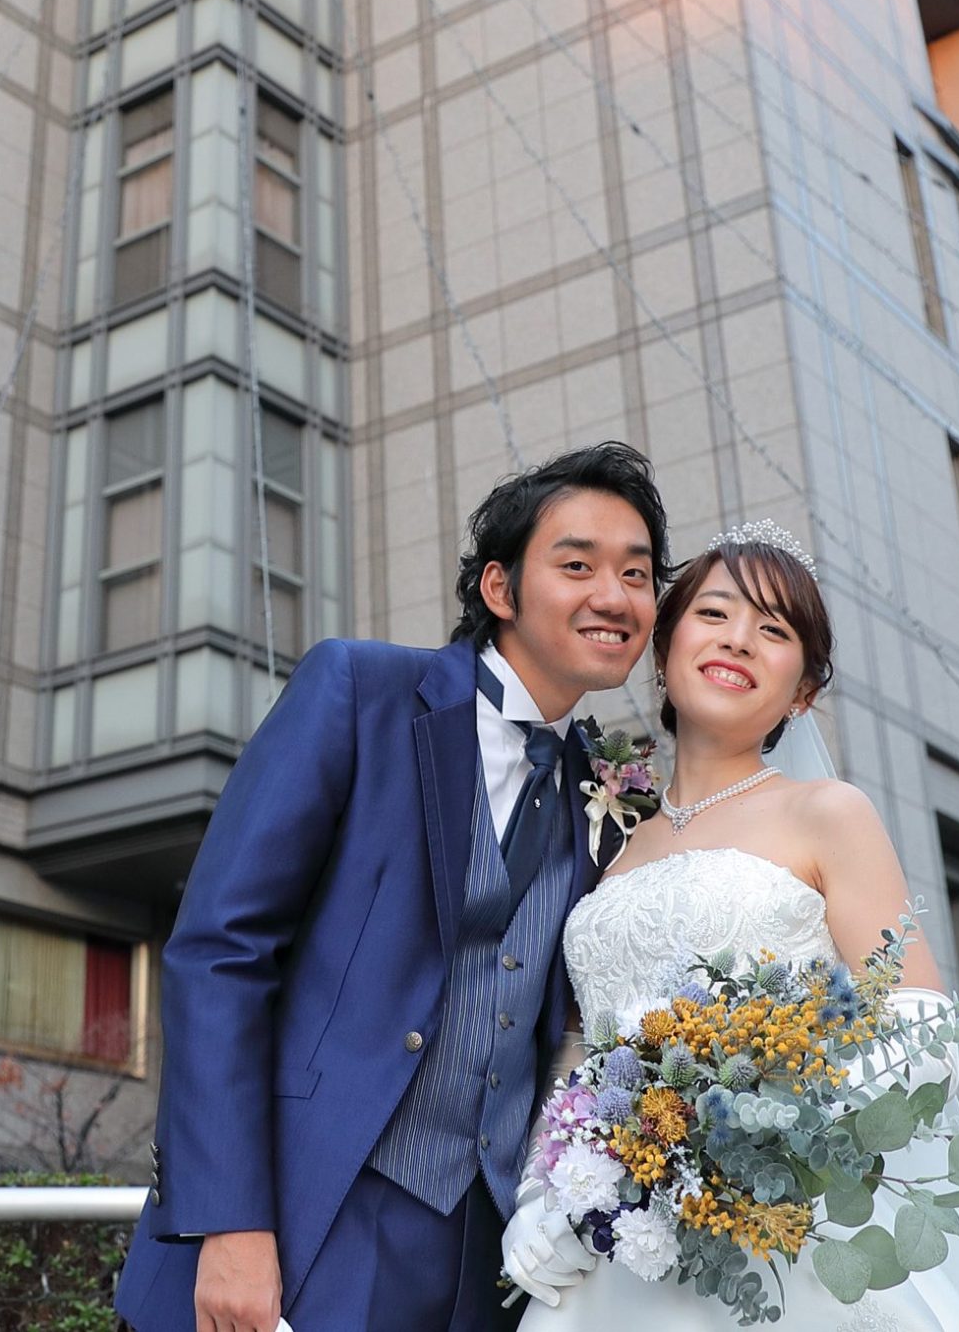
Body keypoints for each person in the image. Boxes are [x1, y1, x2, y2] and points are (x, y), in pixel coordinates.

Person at [114, 444, 674, 1332]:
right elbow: (220, 952)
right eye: (578, 565)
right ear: (499, 587)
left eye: (636, 574)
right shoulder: (359, 691)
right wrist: (230, 1221)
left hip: (490, 1258)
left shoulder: (607, 790)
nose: (614, 595)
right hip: (305, 1215)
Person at [501, 522, 959, 1330]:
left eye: (773, 629)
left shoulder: (827, 812)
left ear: (802, 693)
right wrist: (548, 1192)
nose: (738, 639)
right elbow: (582, 1051)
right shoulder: (610, 844)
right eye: (714, 613)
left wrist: (753, 1125)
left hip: (780, 1241)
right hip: (618, 1255)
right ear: (666, 645)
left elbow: (921, 1024)